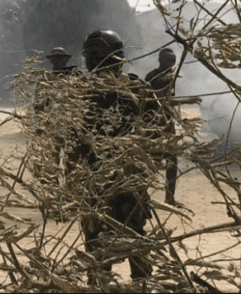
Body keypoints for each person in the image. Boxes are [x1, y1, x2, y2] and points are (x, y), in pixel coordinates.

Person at [76, 30, 153, 286]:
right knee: (130, 236)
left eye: (90, 56)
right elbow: (157, 129)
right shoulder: (137, 87)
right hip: (116, 176)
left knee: (103, 238)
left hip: (103, 178)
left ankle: (108, 284)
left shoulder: (83, 91)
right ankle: (138, 285)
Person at [145, 48, 180, 204]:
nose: (171, 64)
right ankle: (142, 197)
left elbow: (169, 100)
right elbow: (151, 96)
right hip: (153, 126)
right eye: (168, 61)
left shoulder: (170, 77)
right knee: (149, 163)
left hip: (168, 124)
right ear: (160, 60)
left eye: (173, 62)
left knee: (172, 162)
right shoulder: (152, 77)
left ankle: (170, 198)